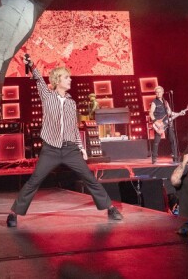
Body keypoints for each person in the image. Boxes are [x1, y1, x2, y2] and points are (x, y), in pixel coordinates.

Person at [7, 55, 122, 227]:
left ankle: (110, 208)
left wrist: (81, 147)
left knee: (89, 178)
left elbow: (73, 127)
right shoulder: (47, 96)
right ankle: (14, 213)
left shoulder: (71, 103)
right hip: (51, 149)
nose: (70, 80)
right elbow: (39, 80)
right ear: (57, 80)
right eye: (66, 77)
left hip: (70, 149)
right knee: (35, 180)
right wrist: (31, 65)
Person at [149, 86, 179, 164]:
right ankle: (154, 158)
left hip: (167, 122)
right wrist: (156, 122)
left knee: (173, 140)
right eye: (157, 92)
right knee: (156, 141)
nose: (158, 93)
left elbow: (170, 112)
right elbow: (151, 113)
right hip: (159, 123)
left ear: (162, 92)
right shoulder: (154, 102)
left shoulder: (166, 102)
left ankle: (175, 157)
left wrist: (179, 113)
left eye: (159, 92)